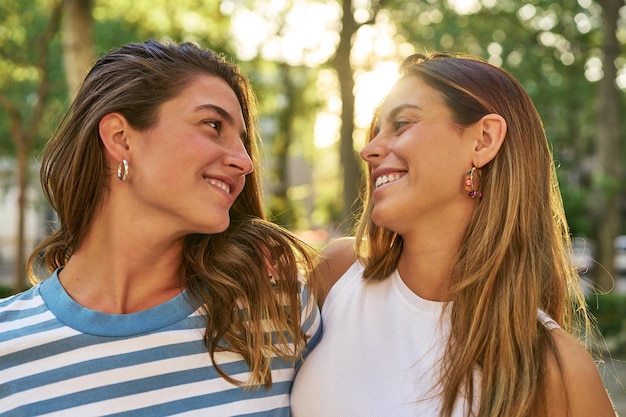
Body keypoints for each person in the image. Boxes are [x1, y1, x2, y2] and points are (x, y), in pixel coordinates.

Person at [0, 40, 320, 416]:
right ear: (121, 138)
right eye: (213, 125)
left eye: (244, 141)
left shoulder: (277, 311)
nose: (245, 162)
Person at [291, 52, 616, 417]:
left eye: (401, 123)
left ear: (483, 140)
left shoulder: (557, 368)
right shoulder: (337, 276)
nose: (369, 150)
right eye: (376, 132)